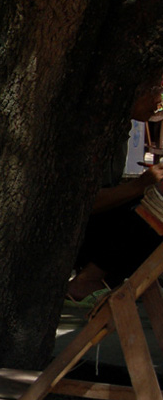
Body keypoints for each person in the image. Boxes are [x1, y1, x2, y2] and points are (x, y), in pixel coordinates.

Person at [68, 77, 163, 302]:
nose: (158, 100)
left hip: (94, 231)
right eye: (154, 90)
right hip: (73, 236)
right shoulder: (93, 132)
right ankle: (86, 281)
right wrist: (140, 185)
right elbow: (81, 206)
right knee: (153, 207)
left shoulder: (120, 129)